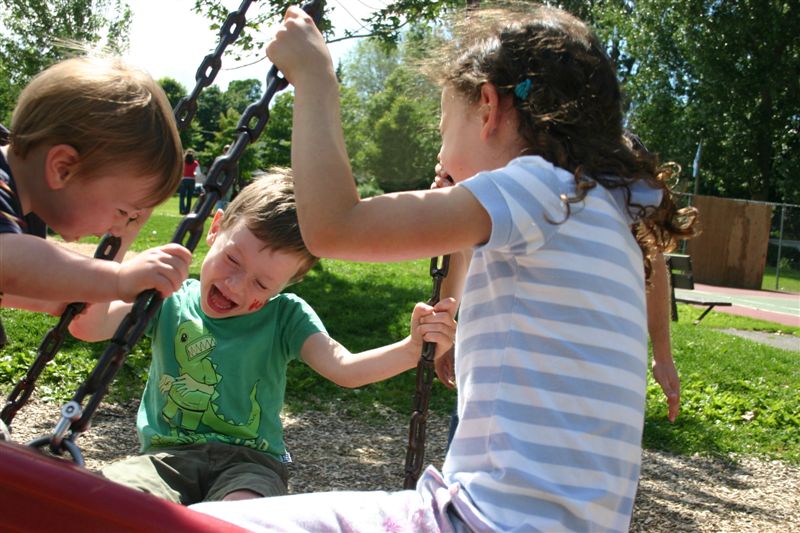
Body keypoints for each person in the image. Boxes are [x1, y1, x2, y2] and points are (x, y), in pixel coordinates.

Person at [190, 4, 698, 532]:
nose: (441, 148)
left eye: (442, 125)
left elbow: (333, 227)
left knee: (209, 526)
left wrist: (315, 78)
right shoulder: (603, 208)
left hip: (489, 521)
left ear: (487, 107)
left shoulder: (538, 187)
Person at [69, 169, 457, 505]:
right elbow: (88, 326)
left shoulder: (285, 316)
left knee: (239, 515)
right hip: (164, 458)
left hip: (251, 464)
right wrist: (119, 247)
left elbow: (345, 369)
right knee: (115, 499)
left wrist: (410, 350)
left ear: (287, 284)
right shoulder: (168, 300)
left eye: (262, 283)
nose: (237, 285)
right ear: (216, 227)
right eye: (234, 260)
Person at [0, 56, 192, 316]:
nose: (116, 229)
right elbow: (7, 262)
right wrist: (117, 279)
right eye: (123, 212)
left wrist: (58, 298)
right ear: (63, 168)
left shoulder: (21, 208)